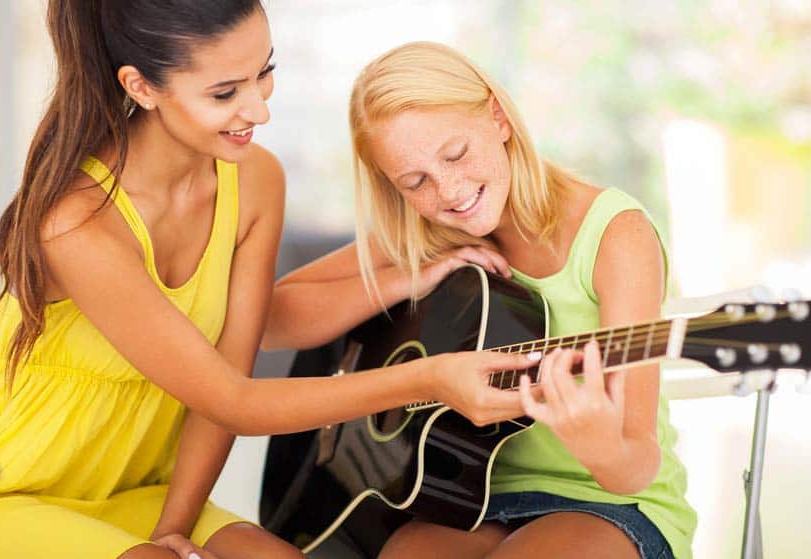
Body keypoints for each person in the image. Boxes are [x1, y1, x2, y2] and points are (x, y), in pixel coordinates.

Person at [0, 6, 538, 559]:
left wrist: (174, 529)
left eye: (264, 73)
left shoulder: (254, 181)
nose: (259, 111)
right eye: (223, 93)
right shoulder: (77, 223)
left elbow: (232, 371)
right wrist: (433, 379)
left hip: (136, 490)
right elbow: (235, 401)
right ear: (141, 87)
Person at [265, 41, 697, 559]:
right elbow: (271, 320)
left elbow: (635, 467)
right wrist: (412, 278)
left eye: (456, 154)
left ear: (498, 118)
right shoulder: (424, 231)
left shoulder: (614, 235)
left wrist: (594, 439)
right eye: (415, 181)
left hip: (611, 504)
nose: (449, 191)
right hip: (474, 499)